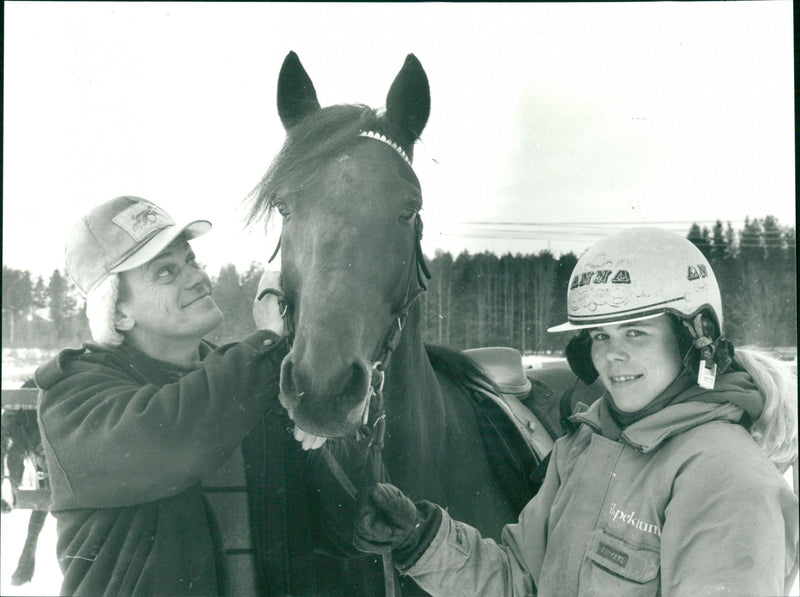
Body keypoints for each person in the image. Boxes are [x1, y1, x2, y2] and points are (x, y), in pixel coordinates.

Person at [353, 227, 799, 596]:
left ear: (694, 337)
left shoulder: (726, 481)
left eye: (635, 333)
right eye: (601, 337)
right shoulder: (584, 448)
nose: (611, 356)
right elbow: (521, 582)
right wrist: (421, 539)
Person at [34, 196, 291, 596]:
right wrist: (269, 342)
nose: (197, 278)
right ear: (117, 312)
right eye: (167, 272)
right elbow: (172, 432)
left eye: (191, 261)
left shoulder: (242, 381)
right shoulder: (73, 399)